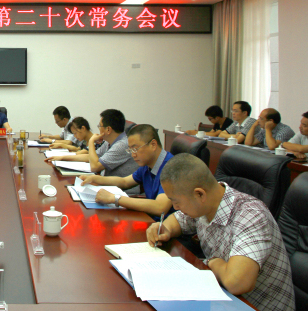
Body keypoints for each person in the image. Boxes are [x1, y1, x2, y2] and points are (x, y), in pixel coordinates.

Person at [147, 154, 295, 311]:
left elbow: (237, 283)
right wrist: (165, 229)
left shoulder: (251, 215)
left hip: (254, 305)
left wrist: (213, 262)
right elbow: (178, 220)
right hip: (222, 297)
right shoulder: (206, 203)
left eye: (176, 202)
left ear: (200, 194)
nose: (175, 207)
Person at [80, 124, 174, 220]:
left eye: (135, 149)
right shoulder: (147, 165)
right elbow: (124, 182)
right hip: (150, 219)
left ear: (153, 145)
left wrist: (115, 198)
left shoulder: (171, 167)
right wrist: (95, 178)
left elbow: (160, 207)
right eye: (130, 150)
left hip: (164, 226)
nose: (133, 155)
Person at [46, 109, 139, 194]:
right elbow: (90, 157)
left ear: (108, 129)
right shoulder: (109, 141)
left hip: (123, 192)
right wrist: (62, 158)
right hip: (108, 186)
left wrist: (91, 141)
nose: (98, 128)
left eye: (99, 126)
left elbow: (95, 167)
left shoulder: (121, 145)